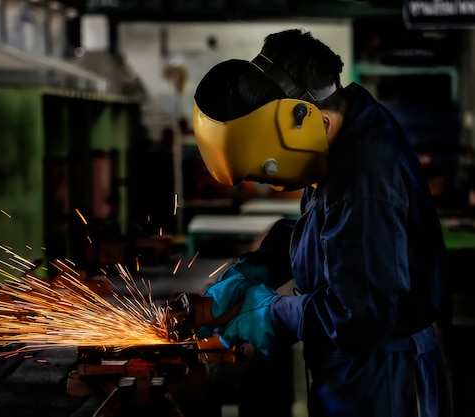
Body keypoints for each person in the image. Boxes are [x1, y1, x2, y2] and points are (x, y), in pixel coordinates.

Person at [191, 28, 453, 417]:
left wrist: (269, 314)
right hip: (353, 371)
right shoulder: (344, 134)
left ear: (315, 121)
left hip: (382, 382)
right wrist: (261, 265)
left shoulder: (364, 176)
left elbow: (359, 314)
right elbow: (329, 231)